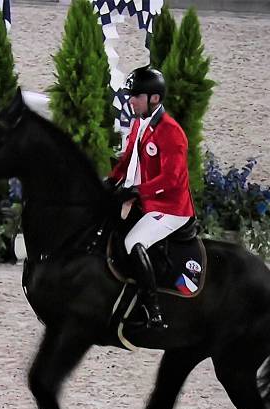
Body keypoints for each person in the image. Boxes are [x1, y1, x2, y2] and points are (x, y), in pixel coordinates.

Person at [105, 66, 195, 329]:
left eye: (136, 96)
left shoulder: (171, 132)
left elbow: (172, 180)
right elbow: (129, 158)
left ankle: (152, 310)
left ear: (154, 99)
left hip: (171, 208)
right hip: (144, 200)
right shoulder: (138, 123)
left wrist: (137, 192)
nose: (131, 101)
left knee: (134, 240)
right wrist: (111, 180)